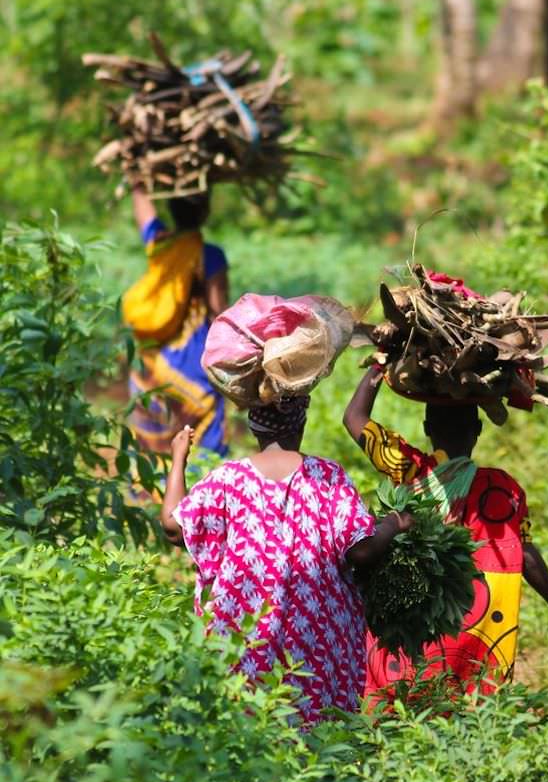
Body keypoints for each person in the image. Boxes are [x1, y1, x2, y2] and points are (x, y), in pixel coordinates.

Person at [160, 396, 413, 724]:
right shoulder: (326, 476)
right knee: (317, 752)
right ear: (302, 423)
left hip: (243, 647)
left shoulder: (228, 479)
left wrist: (178, 457)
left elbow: (172, 526)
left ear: (253, 426)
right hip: (315, 653)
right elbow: (361, 550)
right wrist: (394, 523)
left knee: (246, 738)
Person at [343, 365, 548, 699]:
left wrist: (380, 364)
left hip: (416, 640)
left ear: (427, 428)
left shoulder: (409, 470)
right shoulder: (503, 490)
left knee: (404, 719)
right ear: (478, 430)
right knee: (467, 719)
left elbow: (354, 418)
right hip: (475, 644)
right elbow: (525, 556)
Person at [127, 185, 229, 456]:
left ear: (171, 209)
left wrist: (136, 179)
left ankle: (151, 497)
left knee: (151, 449)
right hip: (192, 370)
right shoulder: (210, 256)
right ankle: (199, 496)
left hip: (150, 362)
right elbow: (218, 312)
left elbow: (143, 210)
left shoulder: (160, 243)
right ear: (205, 211)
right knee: (199, 446)